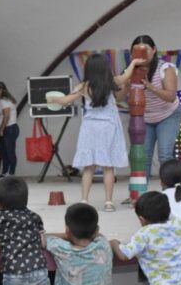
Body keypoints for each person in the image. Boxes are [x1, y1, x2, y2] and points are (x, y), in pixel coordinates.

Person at [47, 53, 128, 211]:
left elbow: (65, 100)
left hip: (90, 128)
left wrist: (52, 99)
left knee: (88, 167)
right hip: (108, 128)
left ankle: (84, 200)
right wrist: (135, 63)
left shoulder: (84, 86)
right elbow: (125, 82)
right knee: (108, 166)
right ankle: (108, 202)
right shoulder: (111, 83)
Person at [118, 35, 181, 177]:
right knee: (142, 158)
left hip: (167, 115)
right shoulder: (128, 71)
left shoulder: (166, 68)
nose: (141, 54)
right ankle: (140, 195)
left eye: (145, 50)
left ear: (153, 50)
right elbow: (117, 98)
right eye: (137, 51)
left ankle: (169, 193)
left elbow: (171, 97)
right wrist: (127, 87)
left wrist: (150, 87)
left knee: (165, 154)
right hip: (143, 119)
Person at [0, 81, 19, 178]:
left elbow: (6, 116)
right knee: (4, 152)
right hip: (4, 129)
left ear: (1, 90)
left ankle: (11, 173)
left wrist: (1, 129)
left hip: (9, 129)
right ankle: (4, 173)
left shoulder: (5, 101)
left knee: (9, 151)